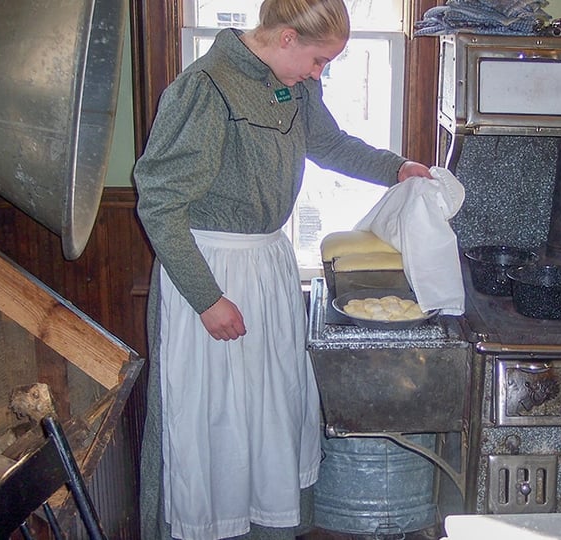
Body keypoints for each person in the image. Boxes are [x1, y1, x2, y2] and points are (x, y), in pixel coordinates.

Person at [133, 0, 433, 538]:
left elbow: (328, 144)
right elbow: (159, 204)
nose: (320, 75)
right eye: (319, 61)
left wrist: (397, 169)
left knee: (267, 410)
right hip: (209, 268)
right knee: (212, 417)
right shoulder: (207, 88)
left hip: (266, 265)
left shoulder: (293, 86)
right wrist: (207, 298)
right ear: (287, 37)